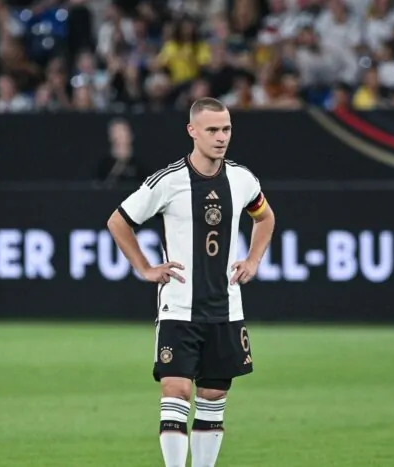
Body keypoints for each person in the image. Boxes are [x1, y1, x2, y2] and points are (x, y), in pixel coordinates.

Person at [106, 97, 276, 467]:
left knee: (213, 396)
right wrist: (145, 268)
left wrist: (253, 259)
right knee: (176, 388)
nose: (221, 137)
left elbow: (265, 217)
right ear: (192, 131)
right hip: (179, 308)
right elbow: (119, 221)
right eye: (212, 130)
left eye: (226, 129)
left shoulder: (242, 179)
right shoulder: (168, 181)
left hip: (226, 309)